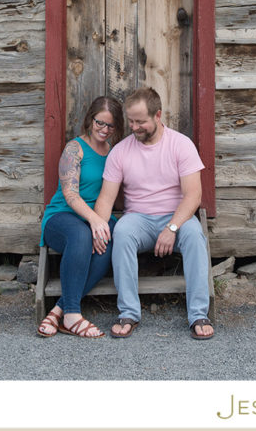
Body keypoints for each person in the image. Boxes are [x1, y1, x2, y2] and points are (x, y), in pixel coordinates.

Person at [92, 87, 215, 340]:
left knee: (195, 236)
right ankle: (128, 312)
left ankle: (198, 314)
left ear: (158, 115)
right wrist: (98, 227)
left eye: (140, 122)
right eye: (131, 121)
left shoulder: (181, 145)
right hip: (139, 219)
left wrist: (172, 228)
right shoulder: (121, 151)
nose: (134, 127)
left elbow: (193, 195)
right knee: (122, 231)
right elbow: (106, 198)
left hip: (177, 217)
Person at [37, 96, 124, 339]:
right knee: (81, 235)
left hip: (95, 217)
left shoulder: (113, 154)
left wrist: (100, 222)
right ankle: (73, 314)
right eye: (100, 122)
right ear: (90, 119)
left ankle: (59, 311)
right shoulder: (74, 149)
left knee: (110, 239)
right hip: (62, 216)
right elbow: (70, 194)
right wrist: (95, 221)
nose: (104, 129)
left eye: (110, 125)